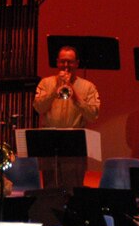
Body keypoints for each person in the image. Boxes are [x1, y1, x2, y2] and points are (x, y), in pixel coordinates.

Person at [33, 46, 101, 188]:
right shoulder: (46, 83)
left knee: (73, 189)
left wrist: (73, 92)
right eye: (63, 61)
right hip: (49, 145)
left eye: (70, 62)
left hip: (75, 146)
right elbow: (38, 108)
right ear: (57, 62)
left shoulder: (88, 87)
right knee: (50, 190)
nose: (66, 66)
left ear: (76, 63)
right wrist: (54, 90)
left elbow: (93, 115)